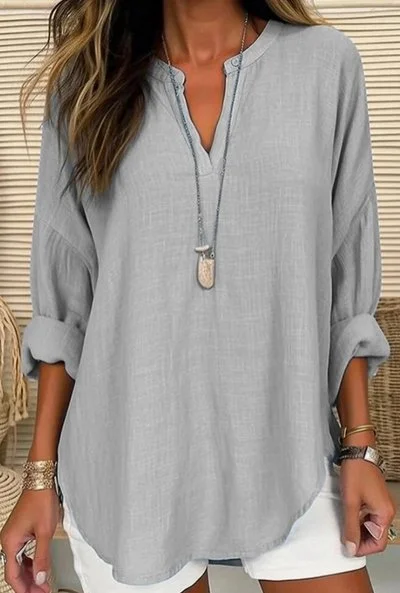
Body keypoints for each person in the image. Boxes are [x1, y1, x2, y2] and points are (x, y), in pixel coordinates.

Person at [0, 1, 397, 592]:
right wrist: (40, 478)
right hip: (131, 457)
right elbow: (67, 310)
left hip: (290, 445)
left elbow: (346, 278)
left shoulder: (325, 65)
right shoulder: (87, 85)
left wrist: (360, 448)